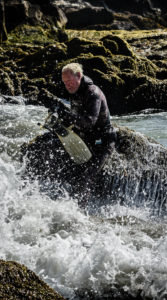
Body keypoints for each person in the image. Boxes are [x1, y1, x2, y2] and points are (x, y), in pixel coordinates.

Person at [40, 62, 117, 204]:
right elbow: (75, 120)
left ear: (79, 76)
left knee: (86, 176)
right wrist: (57, 116)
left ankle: (79, 215)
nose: (67, 85)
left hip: (103, 141)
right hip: (84, 138)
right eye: (64, 82)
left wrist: (65, 114)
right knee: (47, 148)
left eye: (69, 81)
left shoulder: (93, 93)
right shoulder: (74, 92)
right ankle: (51, 201)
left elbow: (89, 122)